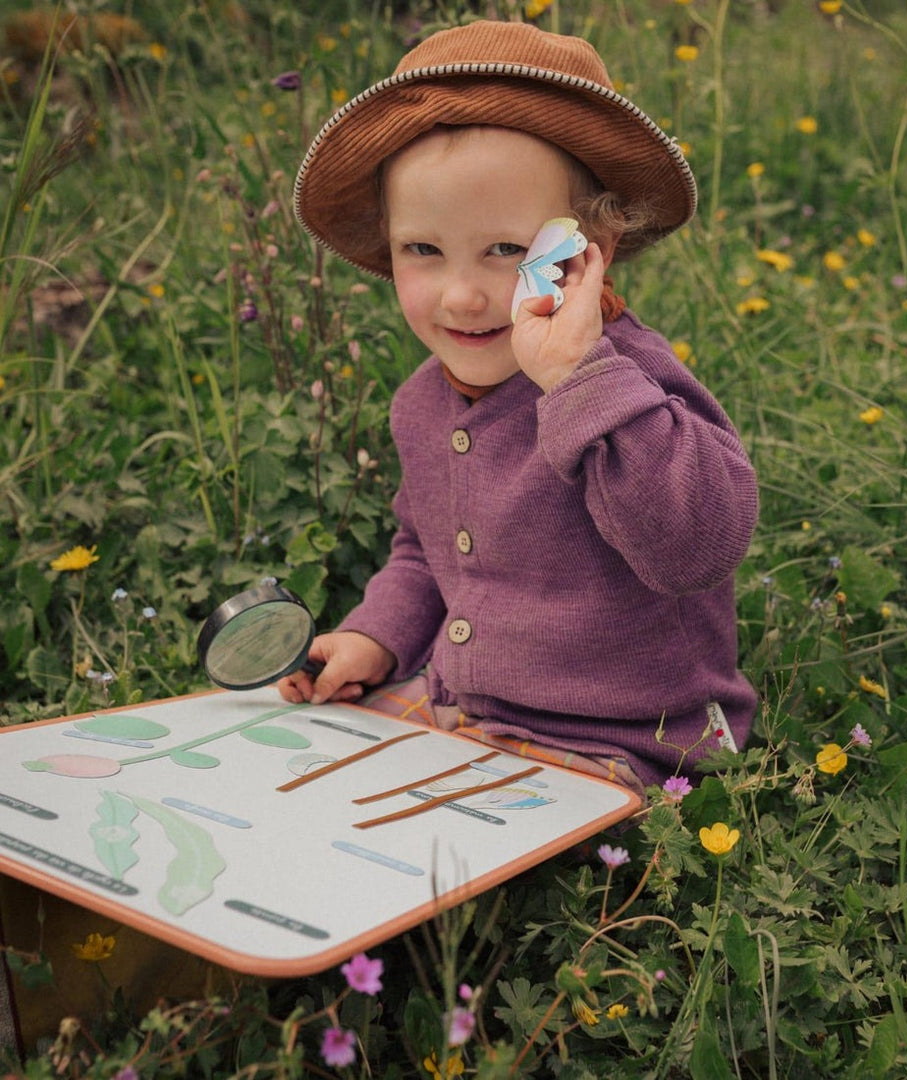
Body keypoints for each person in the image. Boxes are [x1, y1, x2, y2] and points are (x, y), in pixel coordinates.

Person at [278, 19, 758, 795]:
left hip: (628, 738)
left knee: (439, 848)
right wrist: (376, 636)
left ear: (589, 245)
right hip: (469, 715)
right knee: (307, 786)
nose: (463, 296)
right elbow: (424, 552)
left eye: (504, 249)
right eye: (423, 251)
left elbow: (698, 546)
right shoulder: (421, 405)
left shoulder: (627, 381)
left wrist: (578, 377)